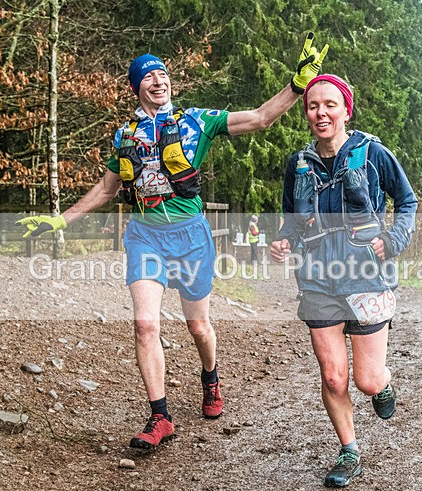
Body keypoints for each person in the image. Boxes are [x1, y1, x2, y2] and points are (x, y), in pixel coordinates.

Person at [18, 34, 329, 450]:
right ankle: (160, 416)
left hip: (190, 236)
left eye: (163, 74)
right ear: (137, 87)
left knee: (197, 325)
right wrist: (61, 220)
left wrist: (297, 85)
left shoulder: (196, 121)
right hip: (145, 236)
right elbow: (107, 190)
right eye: (148, 76)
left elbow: (258, 118)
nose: (158, 81)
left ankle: (211, 379)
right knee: (146, 324)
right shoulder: (124, 135)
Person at [270, 74, 417, 487]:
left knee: (366, 379)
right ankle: (349, 450)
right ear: (307, 114)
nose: (321, 112)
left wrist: (394, 238)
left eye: (330, 104)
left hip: (368, 275)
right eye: (313, 105)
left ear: (346, 110)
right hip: (317, 279)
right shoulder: (298, 163)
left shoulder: (372, 153)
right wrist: (284, 240)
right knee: (333, 376)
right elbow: (293, 220)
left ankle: (383, 385)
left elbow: (407, 201)